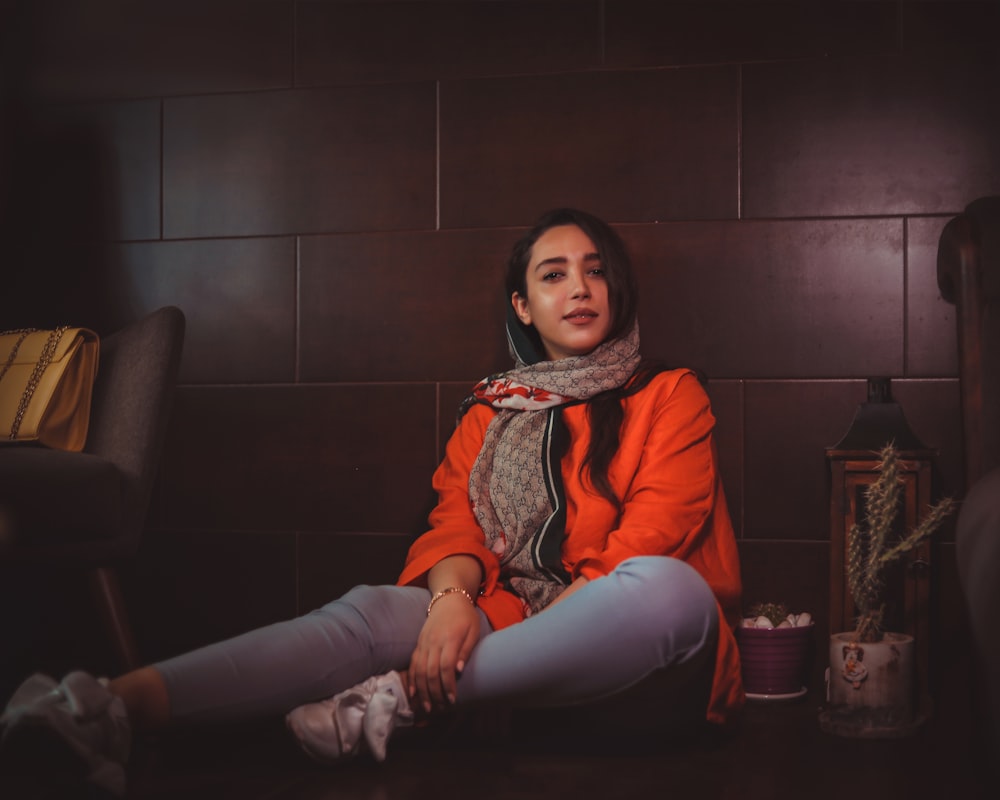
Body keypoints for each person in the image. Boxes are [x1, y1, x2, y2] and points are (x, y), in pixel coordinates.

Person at [0, 208, 744, 796]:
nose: (579, 288)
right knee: (376, 609)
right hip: (511, 646)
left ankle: (406, 703)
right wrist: (453, 599)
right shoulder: (488, 415)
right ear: (524, 304)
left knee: (665, 590)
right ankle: (101, 709)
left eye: (595, 272)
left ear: (617, 290)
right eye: (554, 275)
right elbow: (455, 520)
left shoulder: (669, 394)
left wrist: (535, 632)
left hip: (644, 678)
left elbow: (652, 533)